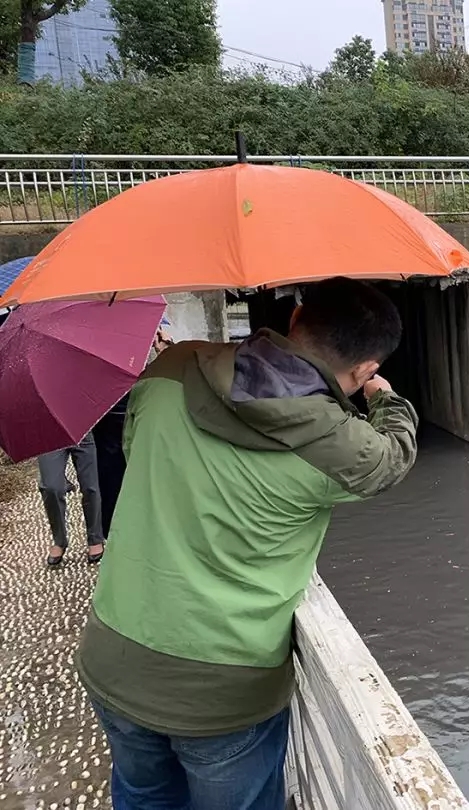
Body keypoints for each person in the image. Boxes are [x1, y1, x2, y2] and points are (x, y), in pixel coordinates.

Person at [77, 278, 418, 810]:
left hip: (113, 655)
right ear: (363, 370)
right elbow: (394, 455)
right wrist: (384, 397)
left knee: (143, 799)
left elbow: (134, 447)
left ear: (295, 320)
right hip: (223, 694)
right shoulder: (343, 449)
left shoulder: (170, 370)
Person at [92, 326, 173, 538]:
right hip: (112, 399)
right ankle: (119, 529)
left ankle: (122, 530)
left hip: (126, 391)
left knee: (132, 464)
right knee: (116, 468)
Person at [39, 434, 106, 566]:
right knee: (50, 488)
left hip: (83, 430)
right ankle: (59, 540)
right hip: (49, 435)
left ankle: (95, 538)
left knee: (90, 487)